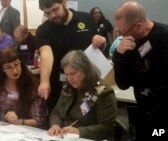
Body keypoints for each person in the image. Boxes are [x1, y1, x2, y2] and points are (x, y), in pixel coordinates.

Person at [36, 0, 106, 114]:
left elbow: (96, 46)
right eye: (47, 13)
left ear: (64, 3)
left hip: (88, 85)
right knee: (58, 119)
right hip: (60, 86)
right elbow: (46, 54)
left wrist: (101, 43)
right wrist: (44, 81)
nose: (52, 15)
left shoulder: (86, 19)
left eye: (55, 9)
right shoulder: (43, 30)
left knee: (87, 118)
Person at [113, 1, 168, 140]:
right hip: (144, 110)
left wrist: (135, 73)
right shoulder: (128, 42)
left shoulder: (164, 37)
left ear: (138, 25)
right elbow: (123, 83)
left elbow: (159, 77)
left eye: (122, 31)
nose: (120, 35)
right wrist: (118, 56)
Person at [48, 50, 117, 140]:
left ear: (85, 70)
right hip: (62, 136)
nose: (70, 78)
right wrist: (55, 124)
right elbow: (57, 111)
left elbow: (107, 128)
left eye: (73, 73)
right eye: (67, 75)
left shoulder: (103, 92)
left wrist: (79, 131)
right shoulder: (68, 86)